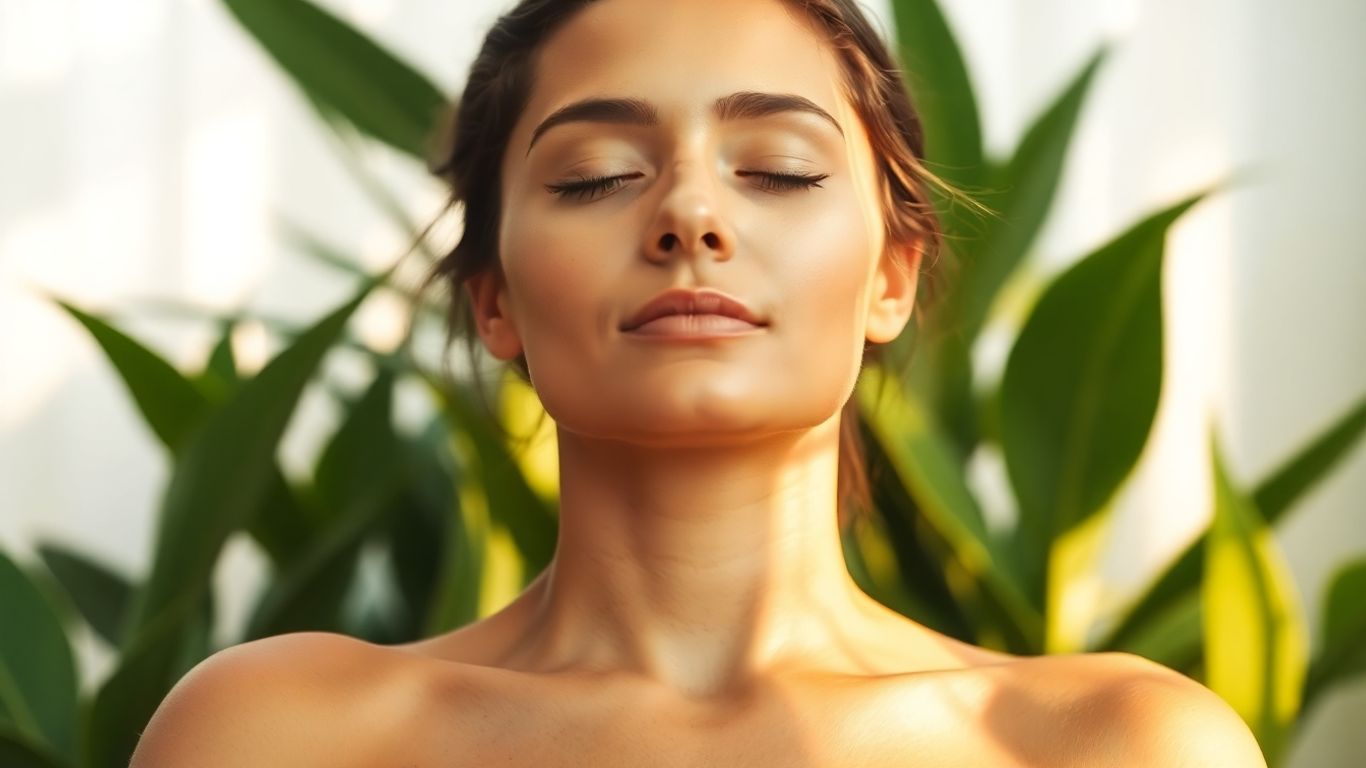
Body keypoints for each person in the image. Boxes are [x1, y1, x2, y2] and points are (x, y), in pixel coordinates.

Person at [131, 0, 1267, 765]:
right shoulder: (283, 736)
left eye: (776, 168)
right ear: (493, 298)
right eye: (595, 177)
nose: (688, 214)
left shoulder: (1114, 747)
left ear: (891, 277)